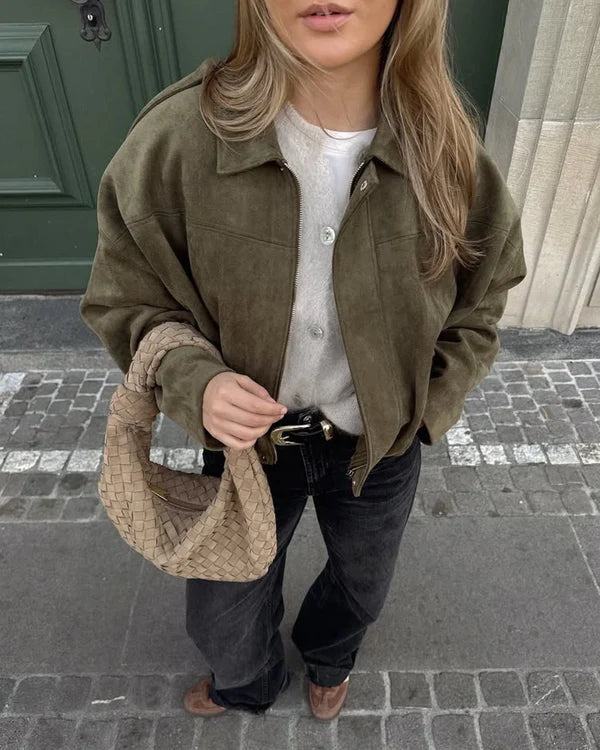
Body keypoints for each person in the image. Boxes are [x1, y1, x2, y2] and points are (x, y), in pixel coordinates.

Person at [80, 0, 527, 722]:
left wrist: (427, 403)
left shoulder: (445, 148)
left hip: (379, 445)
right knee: (224, 604)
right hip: (249, 450)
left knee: (363, 583)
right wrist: (195, 382)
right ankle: (247, 680)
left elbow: (483, 297)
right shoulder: (180, 137)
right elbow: (126, 293)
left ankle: (328, 657)